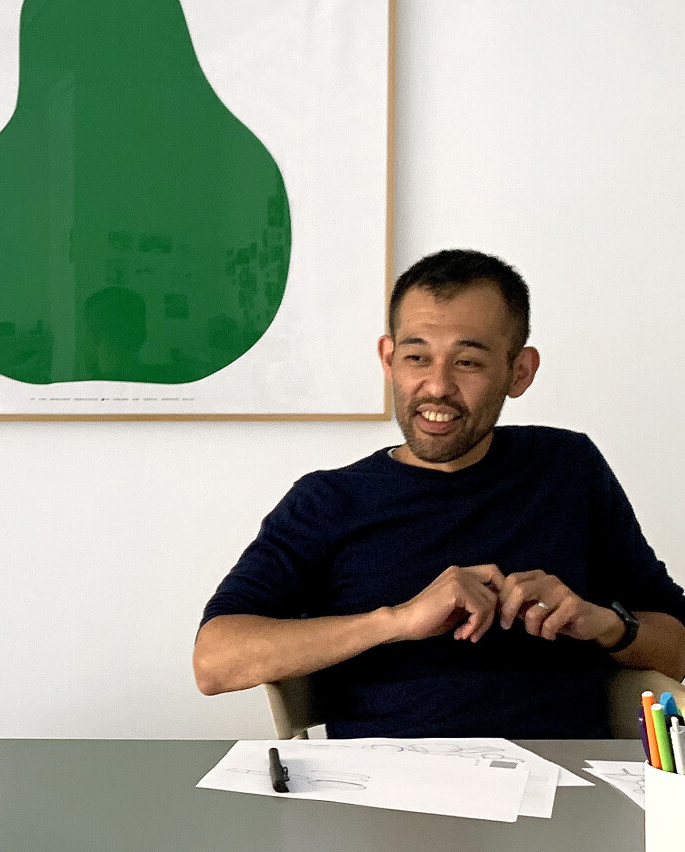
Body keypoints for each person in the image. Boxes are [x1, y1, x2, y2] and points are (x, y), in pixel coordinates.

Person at [193, 249, 685, 738]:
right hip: (383, 793)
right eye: (416, 357)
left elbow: (678, 646)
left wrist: (605, 624)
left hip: (565, 787)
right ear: (388, 359)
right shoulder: (328, 501)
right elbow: (214, 662)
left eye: (468, 361)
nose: (437, 386)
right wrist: (396, 620)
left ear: (520, 372)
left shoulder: (567, 467)